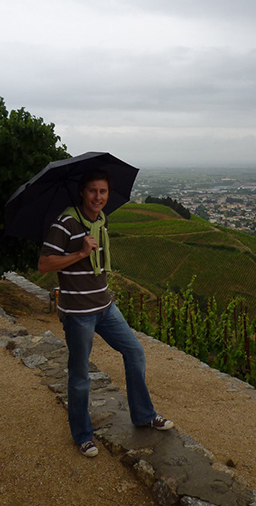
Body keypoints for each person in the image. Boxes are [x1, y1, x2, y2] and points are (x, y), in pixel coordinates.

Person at [38, 169, 174, 457]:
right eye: (92, 191)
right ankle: (83, 436)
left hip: (105, 306)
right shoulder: (64, 224)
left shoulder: (100, 221)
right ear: (82, 193)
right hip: (78, 313)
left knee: (135, 351)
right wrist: (79, 253)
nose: (98, 197)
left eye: (103, 192)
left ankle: (143, 414)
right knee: (79, 375)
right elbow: (44, 264)